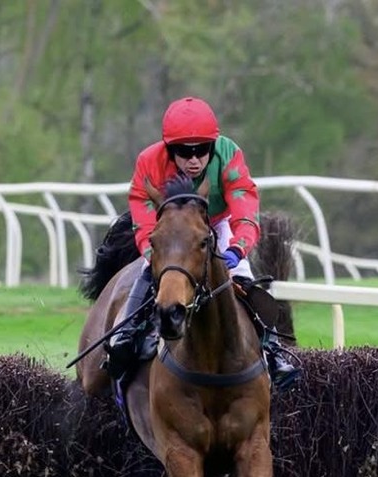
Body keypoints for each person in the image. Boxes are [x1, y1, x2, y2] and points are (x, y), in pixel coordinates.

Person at [103, 96, 301, 390]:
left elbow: (244, 204)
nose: (194, 160)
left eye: (201, 151)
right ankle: (126, 335)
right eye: (184, 152)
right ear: (169, 150)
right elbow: (144, 217)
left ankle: (272, 352)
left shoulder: (229, 154)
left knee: (244, 278)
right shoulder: (149, 162)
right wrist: (153, 251)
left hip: (215, 223)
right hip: (169, 231)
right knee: (149, 272)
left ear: (213, 145)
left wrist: (237, 249)